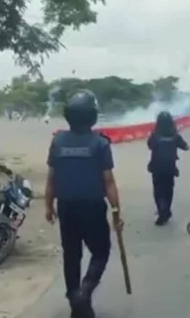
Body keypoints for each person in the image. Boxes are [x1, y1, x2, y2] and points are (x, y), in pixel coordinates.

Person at [45, 89, 124, 318]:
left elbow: (51, 178)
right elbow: (108, 182)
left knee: (72, 255)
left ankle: (76, 301)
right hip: (92, 208)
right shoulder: (100, 144)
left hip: (67, 207)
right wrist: (116, 212)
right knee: (101, 251)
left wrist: (49, 207)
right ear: (92, 116)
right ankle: (85, 290)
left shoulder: (57, 141)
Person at [147, 111, 189, 225]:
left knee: (158, 189)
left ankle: (162, 210)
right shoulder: (175, 136)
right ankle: (167, 210)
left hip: (156, 167)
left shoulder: (154, 135)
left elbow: (149, 146)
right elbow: (186, 147)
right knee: (168, 189)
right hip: (170, 168)